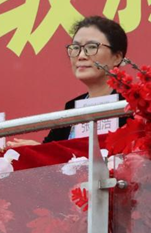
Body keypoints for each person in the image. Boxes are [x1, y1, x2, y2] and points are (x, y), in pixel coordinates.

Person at [11, 15, 129, 147]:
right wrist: (35, 149)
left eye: (91, 47)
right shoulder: (72, 108)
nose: (81, 56)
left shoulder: (131, 105)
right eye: (76, 48)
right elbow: (52, 154)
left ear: (117, 57)